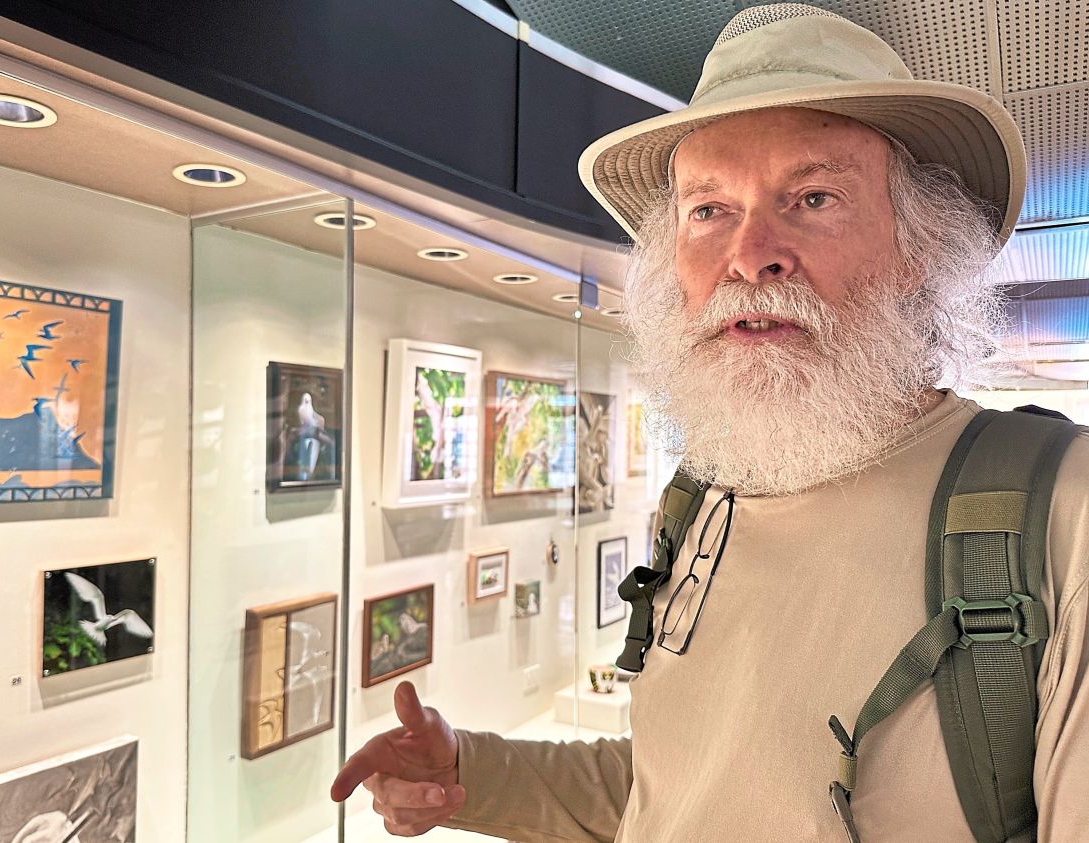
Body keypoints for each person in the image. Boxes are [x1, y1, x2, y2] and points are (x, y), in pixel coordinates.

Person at [331, 4, 1089, 840]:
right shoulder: (696, 500)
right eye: (709, 209)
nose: (751, 251)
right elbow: (674, 785)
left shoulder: (1062, 514)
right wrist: (474, 775)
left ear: (920, 249)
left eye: (813, 196)